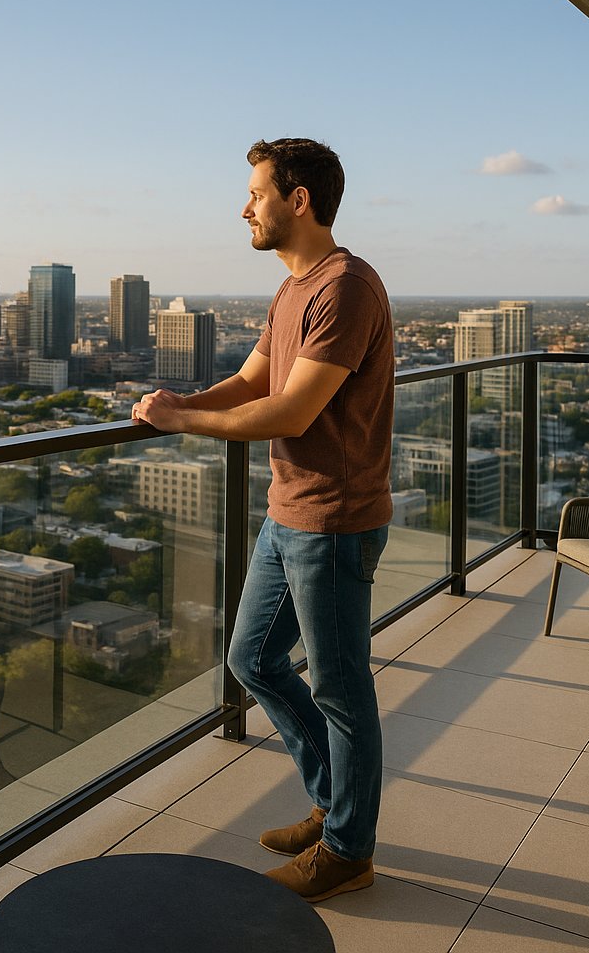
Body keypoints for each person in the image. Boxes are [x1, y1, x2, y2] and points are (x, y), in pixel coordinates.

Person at [132, 137, 394, 902]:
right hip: (291, 515)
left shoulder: (345, 288)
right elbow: (252, 380)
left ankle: (349, 850)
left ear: (298, 199)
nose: (244, 207)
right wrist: (179, 404)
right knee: (253, 661)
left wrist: (186, 428)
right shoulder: (293, 290)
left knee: (342, 690)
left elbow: (291, 408)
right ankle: (332, 803)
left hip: (334, 521)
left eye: (255, 193)